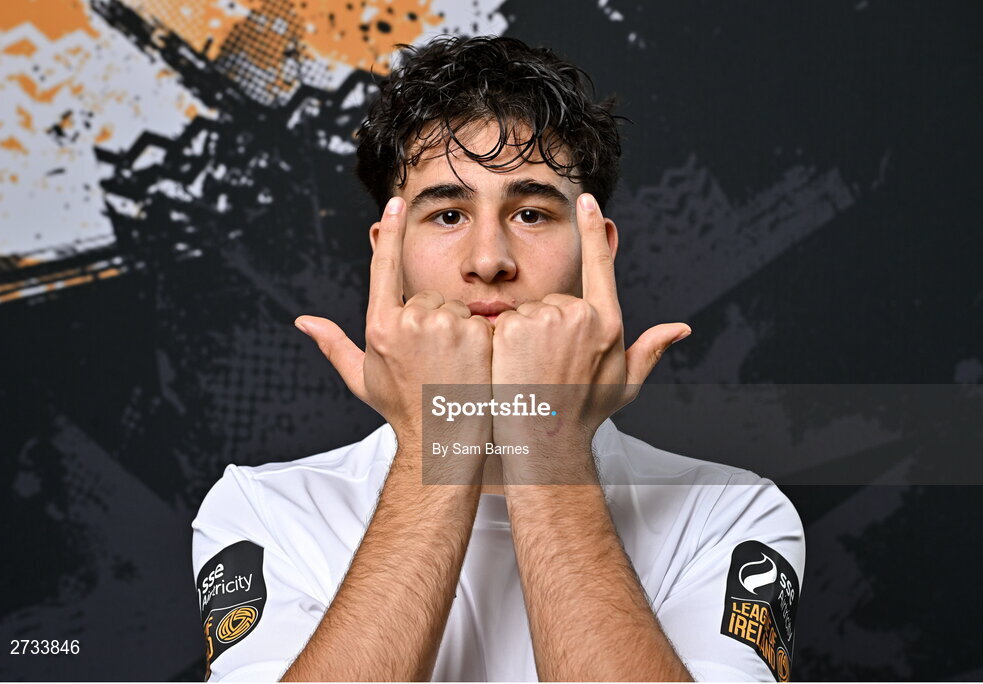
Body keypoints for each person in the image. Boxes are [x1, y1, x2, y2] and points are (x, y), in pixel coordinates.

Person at [192, 35, 804, 682]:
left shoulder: (728, 512)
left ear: (597, 249)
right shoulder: (264, 510)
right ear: (387, 253)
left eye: (533, 213)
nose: (489, 261)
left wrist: (547, 442)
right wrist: (437, 436)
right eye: (448, 214)